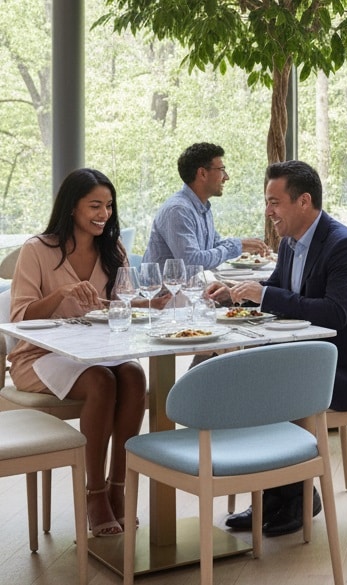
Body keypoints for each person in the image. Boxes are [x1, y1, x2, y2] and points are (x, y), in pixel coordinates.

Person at [210, 160, 347, 537]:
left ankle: (298, 495)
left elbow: (335, 314)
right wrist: (233, 298)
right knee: (248, 380)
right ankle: (275, 497)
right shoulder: (291, 243)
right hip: (305, 361)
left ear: (304, 201)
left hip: (346, 367)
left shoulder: (344, 246)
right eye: (267, 201)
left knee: (264, 388)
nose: (268, 211)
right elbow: (278, 294)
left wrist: (265, 295)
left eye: (275, 202)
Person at [9, 169, 167, 537]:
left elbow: (121, 304)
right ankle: (94, 493)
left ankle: (117, 486)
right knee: (101, 382)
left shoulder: (112, 250)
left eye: (109, 205)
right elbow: (19, 317)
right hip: (38, 356)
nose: (104, 213)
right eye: (95, 205)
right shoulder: (37, 250)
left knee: (132, 375)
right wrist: (60, 296)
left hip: (96, 352)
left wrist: (154, 303)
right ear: (71, 207)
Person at [143, 142, 270, 269]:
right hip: (166, 288)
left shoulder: (202, 207)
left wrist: (245, 245)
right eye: (222, 170)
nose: (226, 177)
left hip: (189, 287)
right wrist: (237, 246)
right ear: (202, 173)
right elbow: (193, 263)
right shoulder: (178, 210)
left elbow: (214, 246)